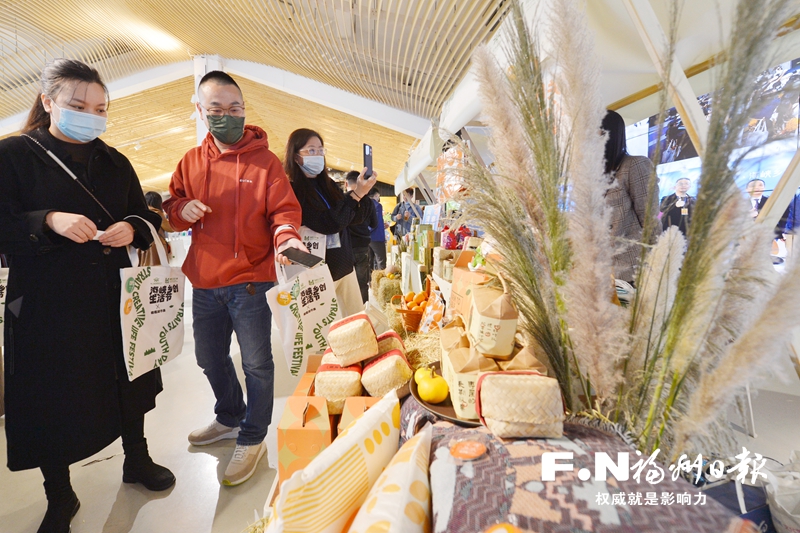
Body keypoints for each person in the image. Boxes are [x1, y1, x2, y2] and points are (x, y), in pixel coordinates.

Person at [0, 58, 173, 533]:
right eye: (78, 105)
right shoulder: (13, 155)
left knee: (127, 376)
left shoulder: (114, 161)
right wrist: (48, 221)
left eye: (100, 108)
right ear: (47, 102)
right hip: (44, 301)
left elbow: (147, 216)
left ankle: (136, 460)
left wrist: (132, 228)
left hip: (114, 295)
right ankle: (60, 494)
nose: (91, 116)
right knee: (47, 394)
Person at [163, 71, 304, 487]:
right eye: (217, 110)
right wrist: (180, 209)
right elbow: (171, 203)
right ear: (200, 110)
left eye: (235, 109)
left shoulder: (265, 162)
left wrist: (285, 235)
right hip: (205, 282)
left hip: (251, 282)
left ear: (245, 109)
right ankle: (229, 416)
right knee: (208, 358)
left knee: (258, 364)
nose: (227, 116)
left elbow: (284, 211)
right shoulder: (190, 160)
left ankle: (253, 435)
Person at [284, 128, 377, 318]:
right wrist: (357, 194)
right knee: (325, 332)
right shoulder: (293, 191)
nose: (317, 155)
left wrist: (363, 194)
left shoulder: (328, 185)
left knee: (357, 323)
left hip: (344, 266)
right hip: (317, 273)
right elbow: (327, 224)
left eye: (320, 150)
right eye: (311, 150)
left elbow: (353, 218)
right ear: (295, 157)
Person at [601, 109, 661, 285]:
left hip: (633, 266)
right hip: (603, 269)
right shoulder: (596, 174)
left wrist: (658, 258)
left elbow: (649, 217)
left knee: (637, 312)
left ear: (610, 134)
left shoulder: (635, 165)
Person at [345, 171, 375, 303]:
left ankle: (348, 314)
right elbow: (374, 223)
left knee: (345, 283)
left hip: (345, 247)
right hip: (362, 246)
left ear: (346, 183)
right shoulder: (368, 201)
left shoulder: (342, 199)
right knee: (362, 281)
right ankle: (362, 311)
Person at [137, 191, 175, 266]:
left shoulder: (142, 213)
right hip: (156, 246)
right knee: (158, 270)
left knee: (144, 270)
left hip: (142, 244)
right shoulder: (157, 213)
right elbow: (170, 228)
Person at [368, 189, 387, 271]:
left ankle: (370, 282)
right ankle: (380, 282)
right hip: (377, 237)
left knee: (369, 262)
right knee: (381, 261)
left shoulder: (364, 204)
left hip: (366, 238)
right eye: (378, 196)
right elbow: (375, 222)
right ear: (376, 195)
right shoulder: (377, 205)